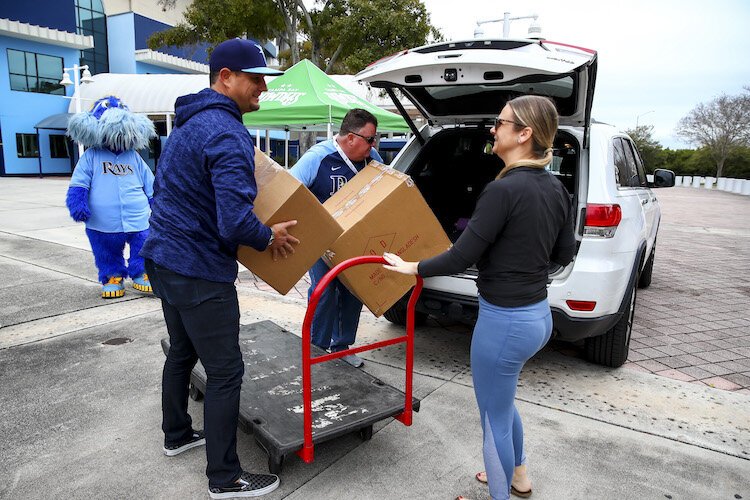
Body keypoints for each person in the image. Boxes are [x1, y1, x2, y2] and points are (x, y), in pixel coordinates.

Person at [383, 95, 575, 500]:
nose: (493, 128)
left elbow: (462, 255)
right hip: (538, 316)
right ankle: (518, 475)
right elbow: (562, 255)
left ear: (524, 134)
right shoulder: (556, 188)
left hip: (504, 322)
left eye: (501, 123)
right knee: (502, 406)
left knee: (492, 417)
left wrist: (412, 267)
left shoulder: (501, 190)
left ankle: (501, 492)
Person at [140, 38, 299, 499]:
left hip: (163, 259)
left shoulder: (186, 124)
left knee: (183, 351)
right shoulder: (227, 131)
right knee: (226, 372)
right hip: (198, 270)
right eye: (255, 80)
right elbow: (233, 220)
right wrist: (270, 237)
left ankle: (176, 434)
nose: (262, 90)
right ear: (225, 76)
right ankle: (225, 478)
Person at [289, 108, 383, 368]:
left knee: (353, 291)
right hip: (321, 241)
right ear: (351, 138)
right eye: (370, 139)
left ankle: (341, 347)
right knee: (325, 291)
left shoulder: (371, 158)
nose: (373, 144)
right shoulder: (317, 158)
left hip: (354, 240)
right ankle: (316, 350)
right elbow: (288, 191)